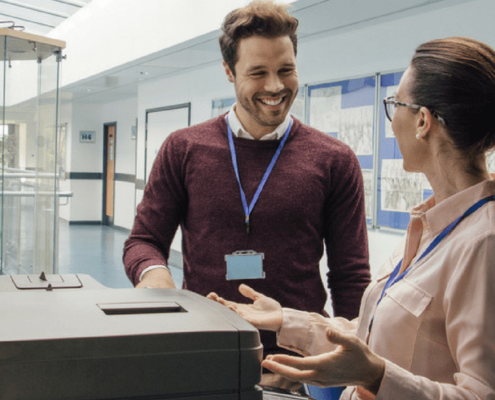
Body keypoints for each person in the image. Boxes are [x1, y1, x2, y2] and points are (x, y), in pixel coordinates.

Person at [208, 36, 495, 399]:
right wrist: (285, 320)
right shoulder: (429, 225)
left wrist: (377, 377)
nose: (392, 122)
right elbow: (372, 333)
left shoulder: (484, 243)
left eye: (395, 105)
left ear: (423, 121)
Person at [123, 0, 370, 385]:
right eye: (258, 73)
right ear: (228, 71)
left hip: (298, 368)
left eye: (286, 70)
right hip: (204, 354)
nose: (275, 86)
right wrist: (155, 277)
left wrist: (352, 363)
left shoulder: (334, 159)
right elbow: (142, 241)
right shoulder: (184, 148)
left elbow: (351, 276)